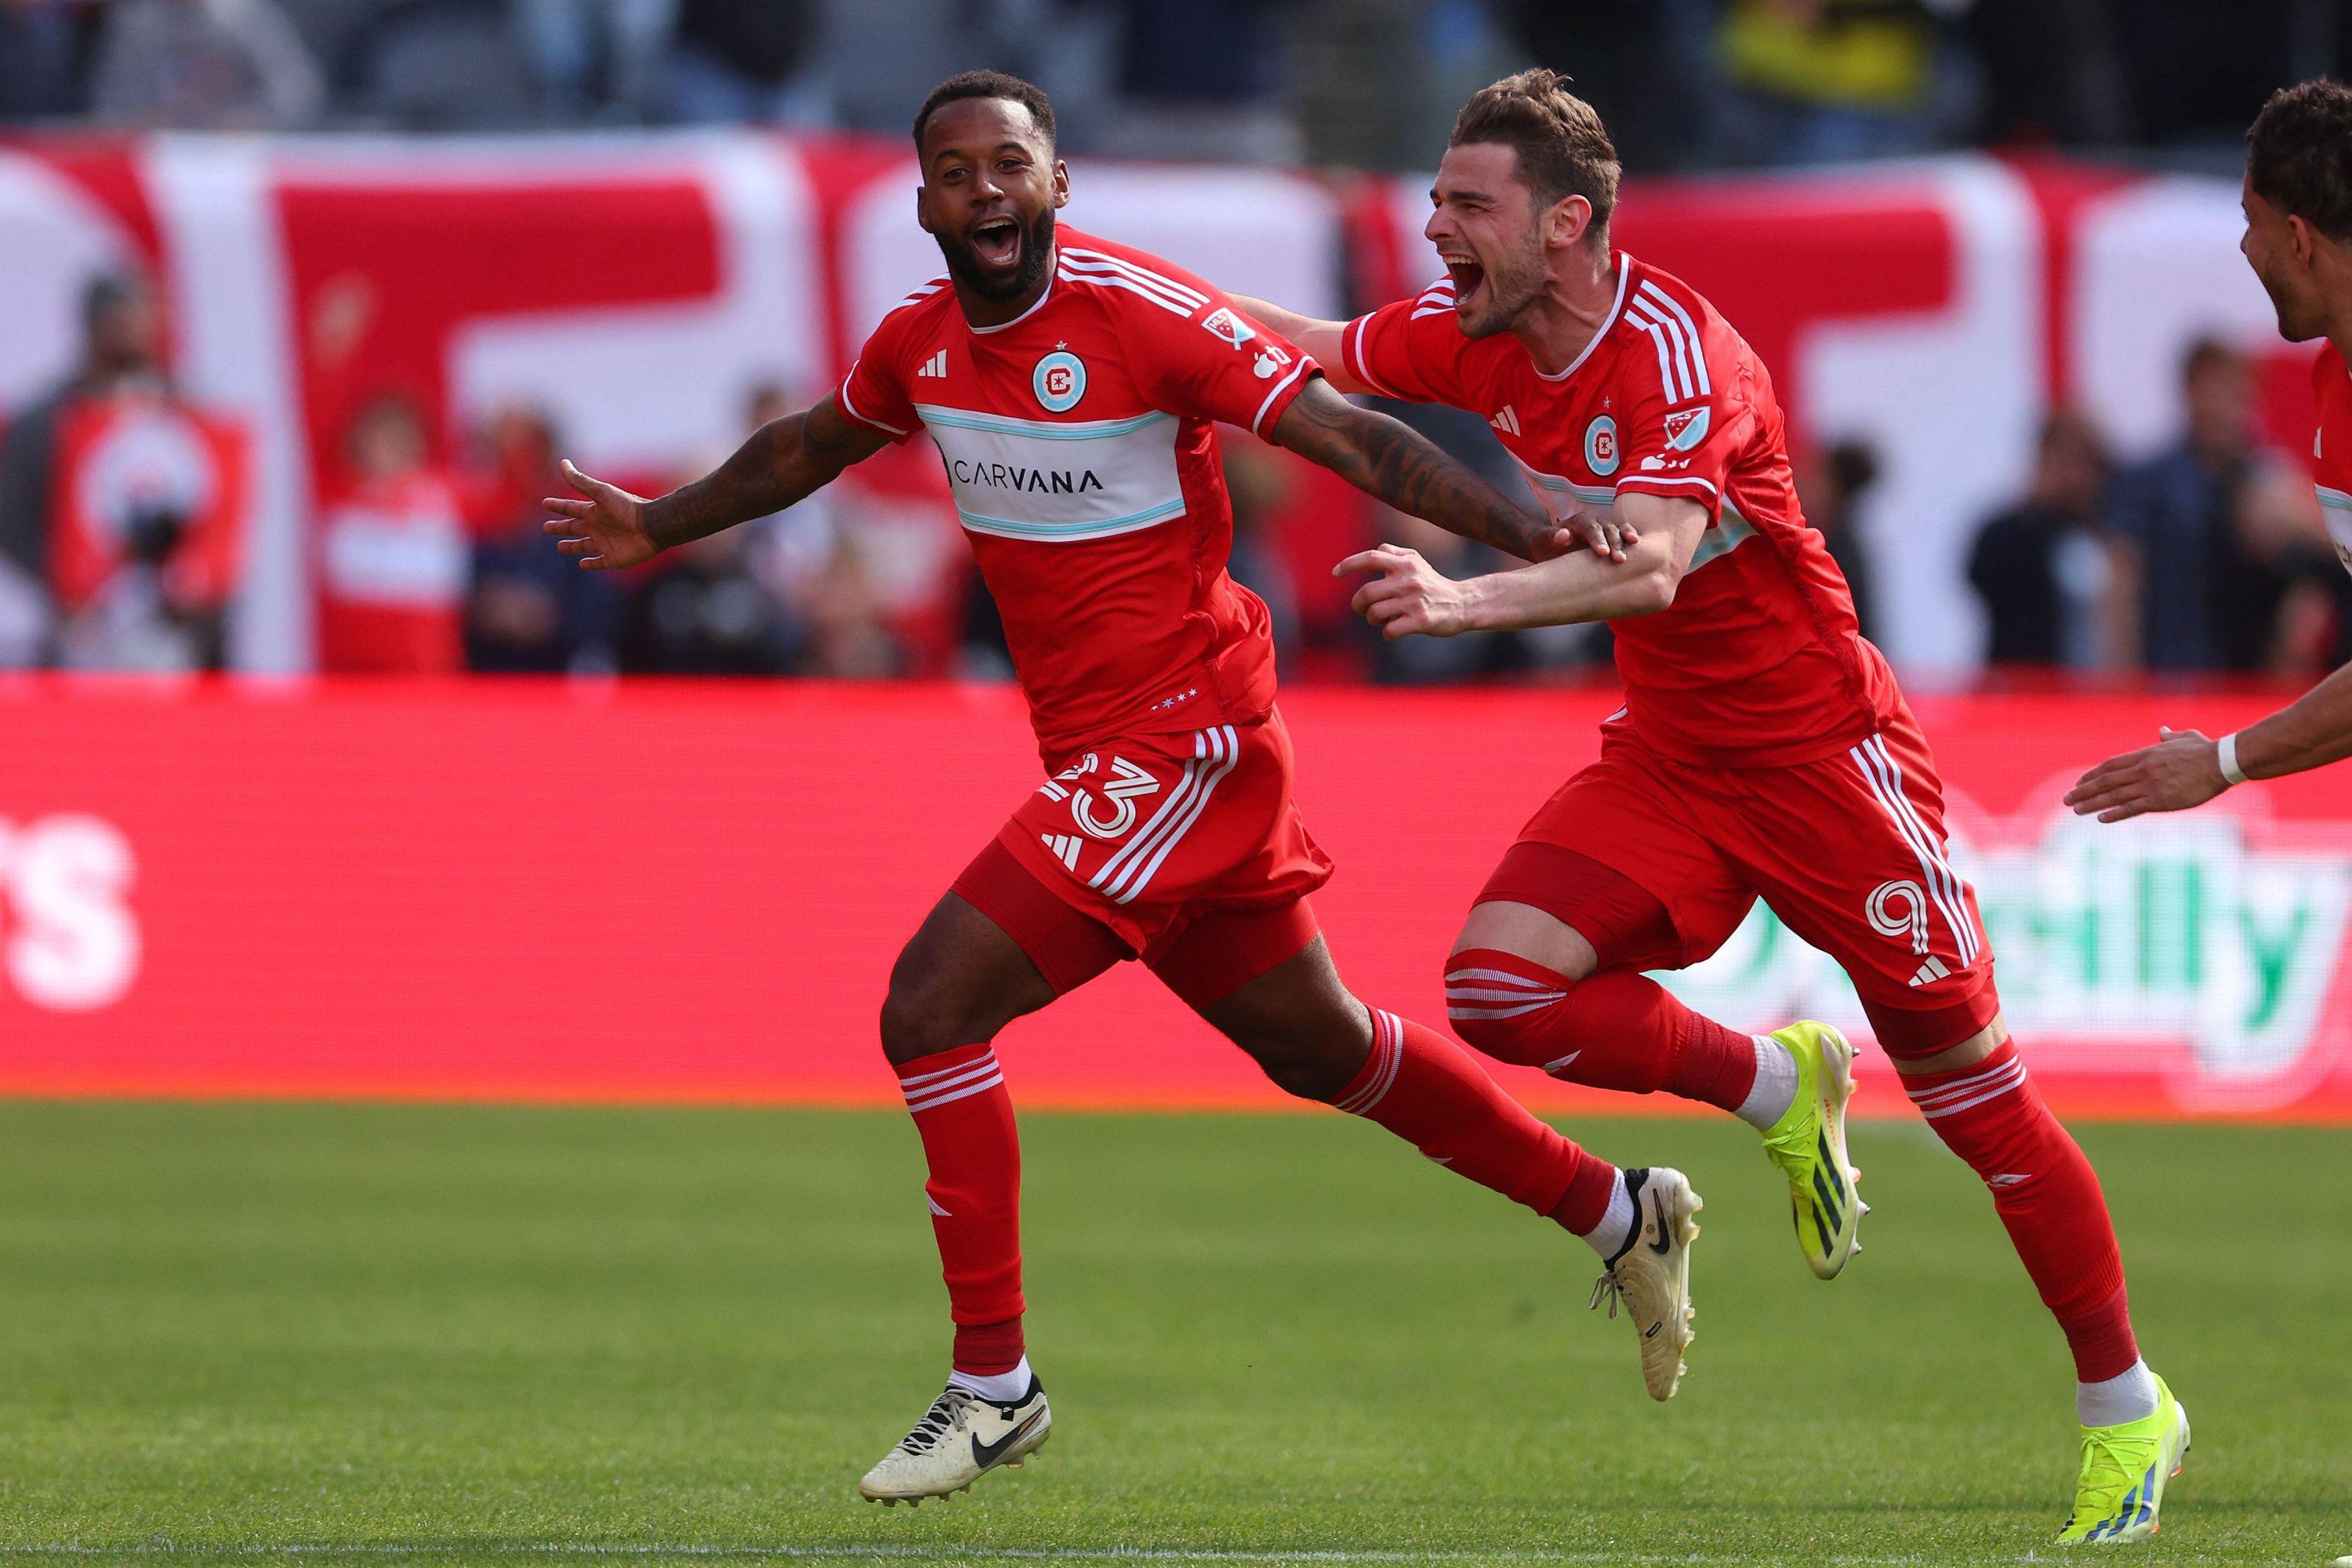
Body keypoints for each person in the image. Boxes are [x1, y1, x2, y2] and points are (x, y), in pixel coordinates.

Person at [544, 71, 1690, 1510]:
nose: (986, 190)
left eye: (1009, 164)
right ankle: (1618, 1210)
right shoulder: (919, 344)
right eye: (955, 171)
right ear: (926, 205)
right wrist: (660, 522)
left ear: (1057, 184)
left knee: (930, 1007)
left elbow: (1344, 432)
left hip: (1185, 742)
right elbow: (811, 447)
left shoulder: (1138, 313)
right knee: (1326, 1049)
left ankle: (994, 1386)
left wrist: (1525, 533)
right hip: (1106, 753)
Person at [1239, 68, 2180, 1544]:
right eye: (1433, 201)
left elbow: (1658, 569)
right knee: (1497, 989)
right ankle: (1776, 1088)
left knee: (1979, 1102)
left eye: (1467, 204)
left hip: (1827, 763)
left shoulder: (1682, 358)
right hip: (1676, 758)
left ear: (1564, 224)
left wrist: (1464, 597)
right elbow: (1296, 346)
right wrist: (1097, 283)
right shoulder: (1478, 334)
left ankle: (2128, 1408)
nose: (1435, 229)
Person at [2068, 81, 2352, 818]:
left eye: (2251, 223)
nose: (2244, 247)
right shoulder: (2332, 379)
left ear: (2298, 238)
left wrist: (2224, 761)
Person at [2105, 337, 2267, 672]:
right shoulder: (2147, 481)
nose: (2228, 406)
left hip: (2247, 677)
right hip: (2170, 671)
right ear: (2190, 390)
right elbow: (2122, 581)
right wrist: (2122, 676)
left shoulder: (2263, 483)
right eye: (2217, 390)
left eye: (2237, 392)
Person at [1966, 411, 2121, 670]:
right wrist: (2040, 508)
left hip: (2092, 684)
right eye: (2064, 460)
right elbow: (1983, 577)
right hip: (2022, 679)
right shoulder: (2008, 532)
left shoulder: (2109, 536)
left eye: (2085, 463)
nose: (2074, 475)